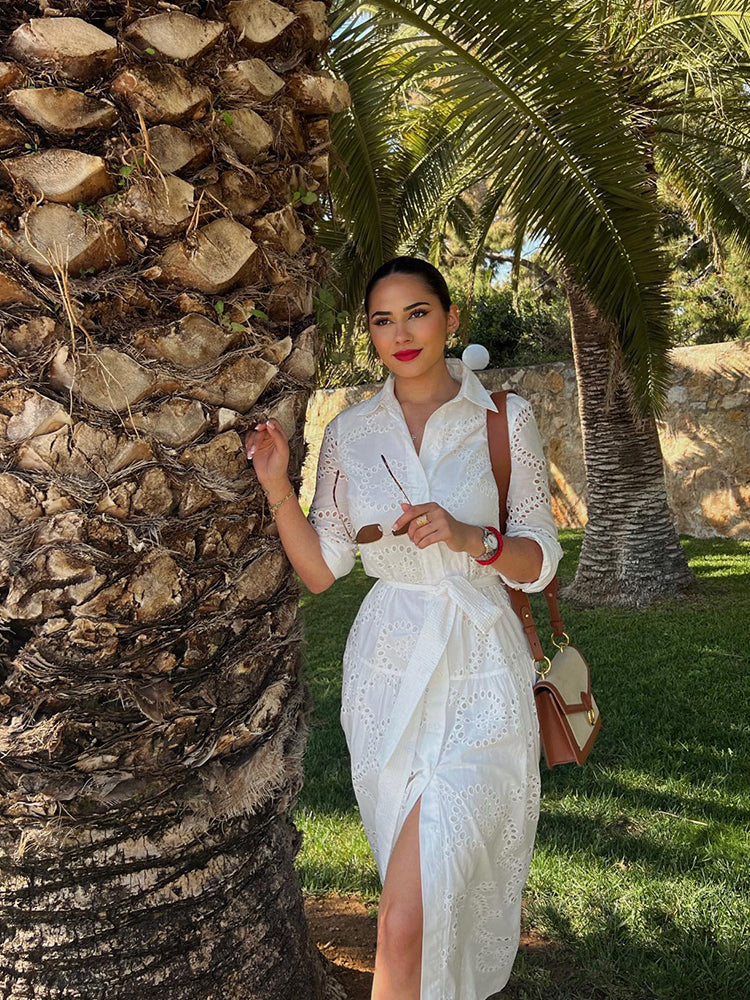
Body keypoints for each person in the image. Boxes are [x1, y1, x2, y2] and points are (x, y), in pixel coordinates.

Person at [245, 256, 563, 1000]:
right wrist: (275, 488)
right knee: (407, 906)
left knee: (404, 914)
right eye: (382, 320)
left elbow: (540, 559)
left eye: (417, 312)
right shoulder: (352, 432)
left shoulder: (502, 419)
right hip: (389, 671)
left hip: (483, 666)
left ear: (451, 319)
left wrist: (469, 537)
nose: (401, 333)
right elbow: (323, 570)